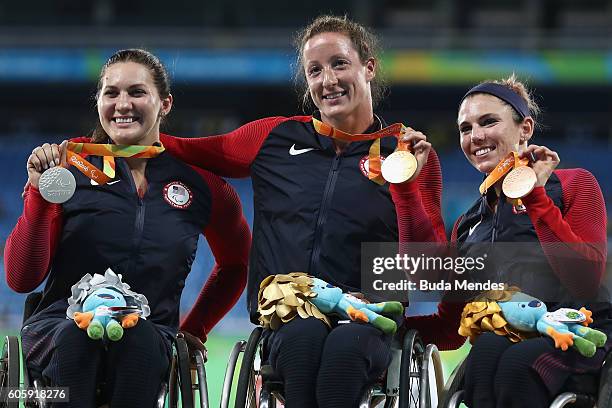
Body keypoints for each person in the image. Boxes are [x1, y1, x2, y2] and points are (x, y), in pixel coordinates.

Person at [160, 15, 464, 407]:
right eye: (315, 71)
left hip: (367, 319)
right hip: (288, 315)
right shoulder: (273, 137)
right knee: (302, 339)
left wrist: (404, 187)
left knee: (346, 349)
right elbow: (181, 148)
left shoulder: (406, 154)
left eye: (339, 63)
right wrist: (85, 147)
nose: (328, 80)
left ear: (368, 67)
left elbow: (428, 265)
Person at [3, 49, 251, 408]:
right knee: (78, 336)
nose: (123, 104)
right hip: (61, 329)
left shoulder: (203, 187)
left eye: (137, 92)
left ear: (164, 104)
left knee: (139, 338)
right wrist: (39, 195)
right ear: (99, 101)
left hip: (151, 334)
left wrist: (194, 327)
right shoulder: (67, 172)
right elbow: (20, 278)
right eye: (112, 93)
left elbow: (236, 264)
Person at [453, 75, 610, 407]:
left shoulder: (574, 184)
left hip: (582, 332)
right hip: (508, 337)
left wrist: (534, 196)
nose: (475, 135)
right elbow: (446, 321)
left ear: (525, 128)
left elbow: (585, 282)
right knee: (483, 354)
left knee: (515, 365)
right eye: (465, 129)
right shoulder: (468, 224)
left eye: (488, 121)